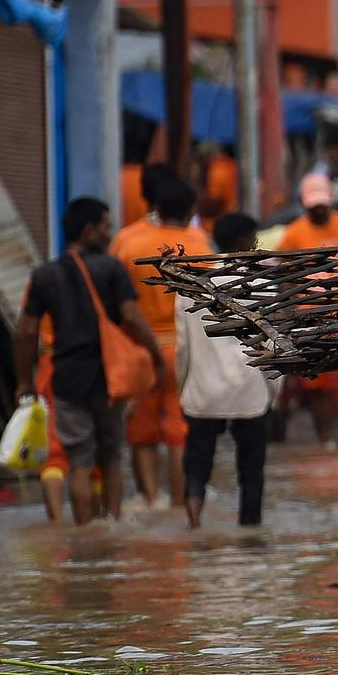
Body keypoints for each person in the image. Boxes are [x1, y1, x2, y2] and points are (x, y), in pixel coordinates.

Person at [13, 197, 166, 525]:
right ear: (89, 231)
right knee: (110, 458)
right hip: (109, 378)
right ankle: (110, 529)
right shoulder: (111, 269)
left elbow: (25, 332)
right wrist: (154, 354)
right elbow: (132, 317)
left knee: (79, 463)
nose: (109, 234)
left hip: (67, 379)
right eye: (105, 226)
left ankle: (84, 537)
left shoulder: (44, 276)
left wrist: (24, 379)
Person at [110, 174, 213, 512]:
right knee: (180, 431)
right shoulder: (200, 244)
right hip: (187, 351)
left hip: (139, 351)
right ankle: (181, 506)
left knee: (142, 432)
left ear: (154, 205)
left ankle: (151, 501)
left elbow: (114, 300)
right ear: (189, 211)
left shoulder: (127, 241)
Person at [176, 213, 279, 528]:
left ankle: (194, 523)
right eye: (254, 239)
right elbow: (273, 346)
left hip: (203, 392)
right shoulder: (262, 285)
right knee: (251, 470)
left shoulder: (191, 289)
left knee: (197, 465)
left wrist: (183, 388)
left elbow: (183, 349)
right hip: (250, 390)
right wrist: (274, 392)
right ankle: (250, 533)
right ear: (241, 242)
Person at [280, 175, 338, 447]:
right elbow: (285, 276)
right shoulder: (294, 234)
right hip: (311, 314)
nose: (319, 209)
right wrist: (292, 308)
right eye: (313, 205)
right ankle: (323, 436)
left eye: (322, 204)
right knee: (316, 381)